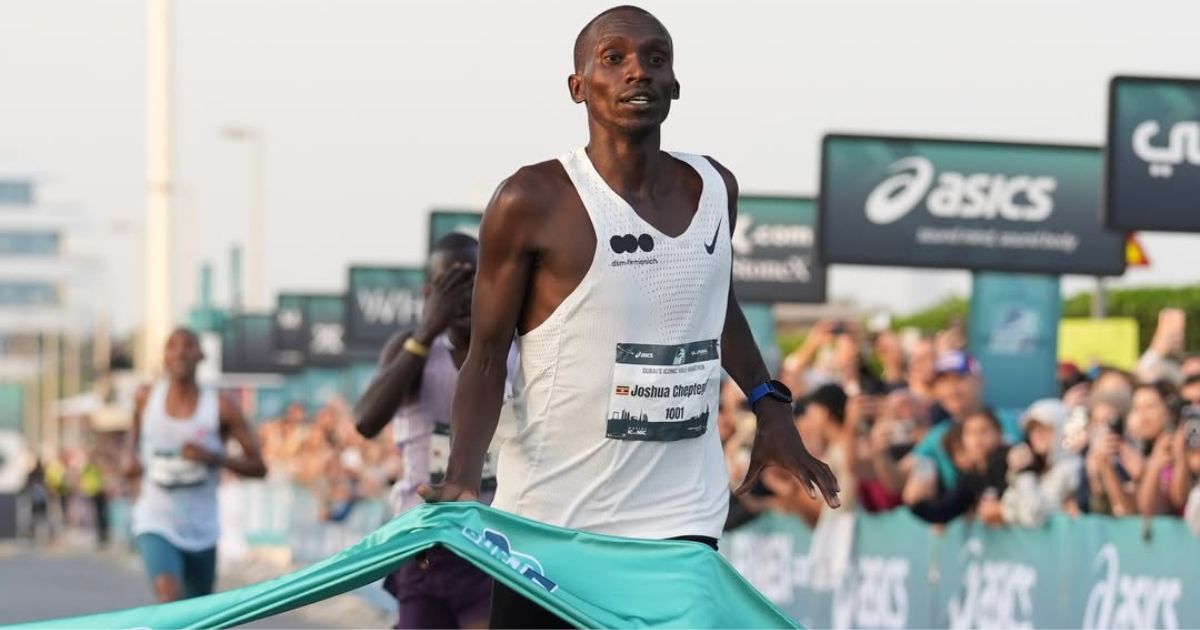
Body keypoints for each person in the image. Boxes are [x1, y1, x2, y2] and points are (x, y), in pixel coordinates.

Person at [418, 7, 839, 627]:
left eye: (655, 58)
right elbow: (485, 357)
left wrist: (769, 405)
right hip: (550, 523)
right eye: (613, 58)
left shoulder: (715, 187)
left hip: (679, 519)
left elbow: (713, 300)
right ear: (578, 86)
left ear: (675, 85)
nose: (637, 71)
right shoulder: (531, 200)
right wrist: (460, 484)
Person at [355, 232, 516, 630]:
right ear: (430, 290)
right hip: (423, 544)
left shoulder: (517, 352)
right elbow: (366, 421)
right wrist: (426, 331)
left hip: (492, 544)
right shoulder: (411, 350)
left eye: (475, 281)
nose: (465, 295)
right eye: (453, 283)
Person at [125, 328, 267, 602]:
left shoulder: (221, 406)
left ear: (201, 355)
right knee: (169, 596)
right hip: (156, 520)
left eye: (188, 346)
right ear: (164, 356)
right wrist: (128, 458)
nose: (180, 352)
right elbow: (134, 435)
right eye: (172, 346)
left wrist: (214, 458)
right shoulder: (145, 397)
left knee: (196, 616)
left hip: (202, 528)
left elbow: (259, 467)